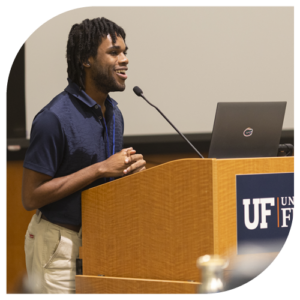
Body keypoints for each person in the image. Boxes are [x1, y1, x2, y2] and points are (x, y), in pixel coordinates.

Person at [22, 17, 146, 295]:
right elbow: (31, 197)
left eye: (125, 52)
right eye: (114, 52)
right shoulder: (53, 118)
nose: (124, 59)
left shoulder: (114, 113)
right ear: (86, 59)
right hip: (58, 245)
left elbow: (102, 186)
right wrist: (101, 168)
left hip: (100, 243)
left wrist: (130, 174)